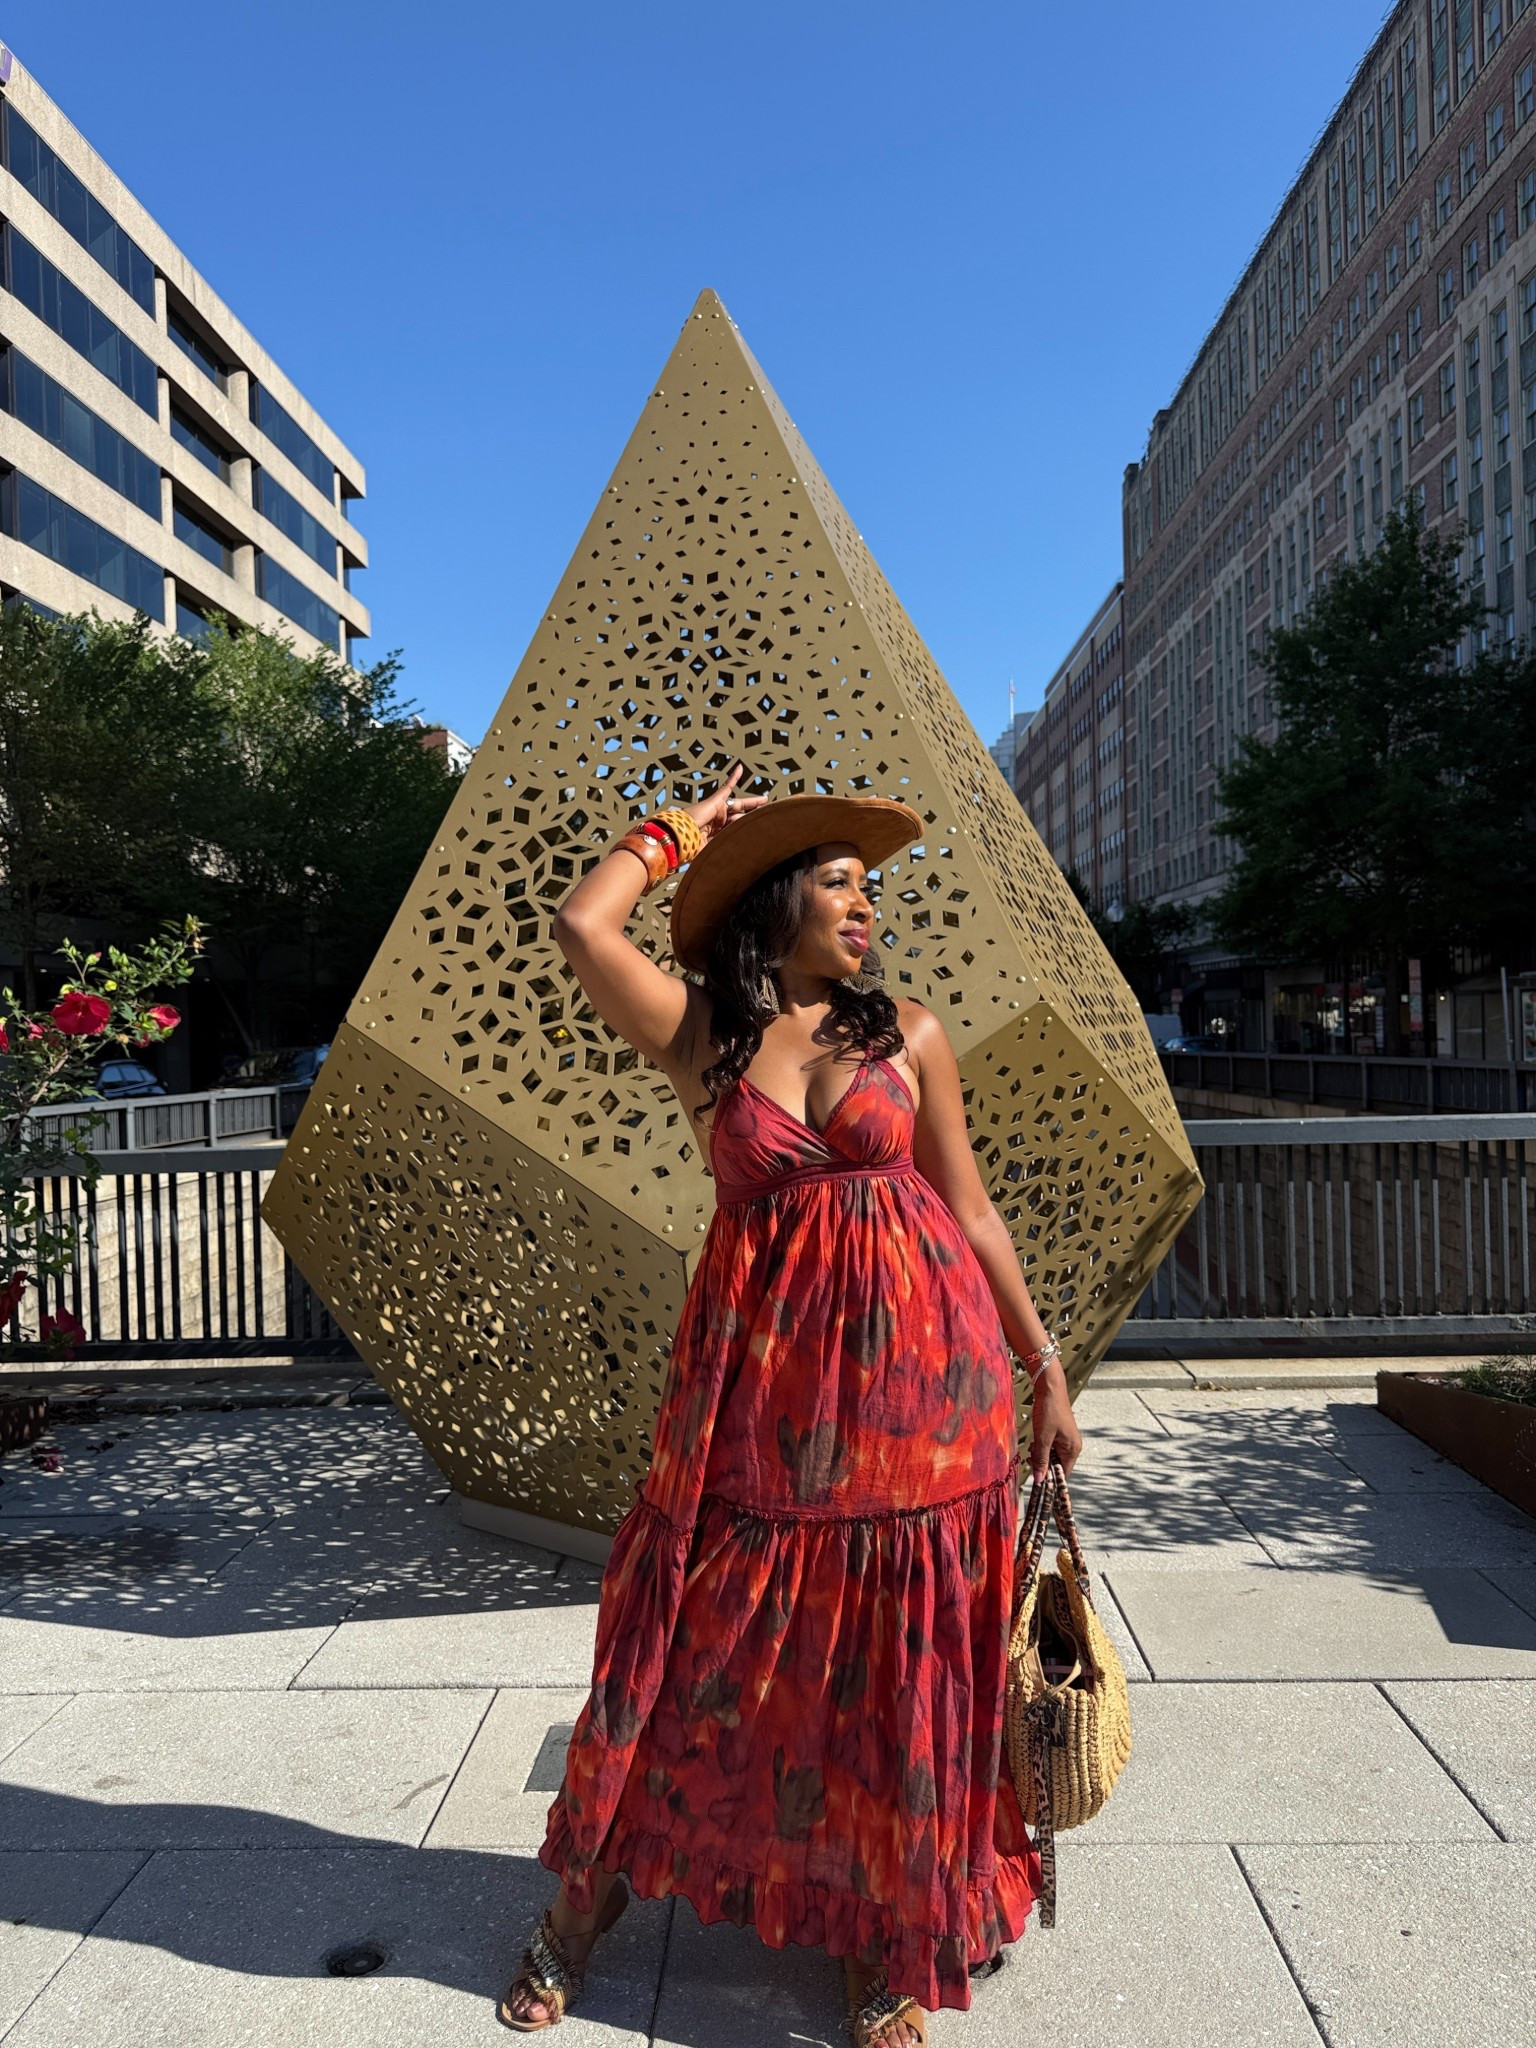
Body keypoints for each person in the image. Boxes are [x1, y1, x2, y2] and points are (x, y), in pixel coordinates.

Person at [499, 766, 1083, 2044]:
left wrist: (1042, 1364)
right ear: (776, 902)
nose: (866, 904)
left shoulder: (908, 1033)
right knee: (689, 1647)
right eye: (837, 881)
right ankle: (576, 1913)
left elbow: (969, 1208)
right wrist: (682, 835)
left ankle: (890, 1938)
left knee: (901, 1667)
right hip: (761, 1406)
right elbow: (584, 926)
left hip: (933, 1404)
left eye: (871, 886)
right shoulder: (705, 1035)